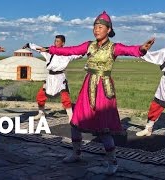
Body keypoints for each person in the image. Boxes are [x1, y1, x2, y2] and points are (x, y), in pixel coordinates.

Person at [38, 11, 154, 175]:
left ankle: (112, 162)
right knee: (76, 121)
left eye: (100, 27)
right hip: (87, 86)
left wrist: (141, 48)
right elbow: (70, 50)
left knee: (103, 128)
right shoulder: (88, 45)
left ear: (108, 29)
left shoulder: (114, 47)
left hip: (104, 89)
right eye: (95, 27)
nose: (96, 30)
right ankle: (76, 153)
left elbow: (129, 50)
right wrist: (51, 49)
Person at [23, 35, 82, 122]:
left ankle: (71, 116)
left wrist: (87, 51)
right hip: (50, 78)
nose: (55, 43)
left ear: (63, 43)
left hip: (60, 78)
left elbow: (78, 53)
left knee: (65, 97)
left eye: (58, 41)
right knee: (40, 95)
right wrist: (29, 45)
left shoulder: (68, 54)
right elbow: (39, 48)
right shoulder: (49, 51)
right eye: (55, 41)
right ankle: (41, 113)